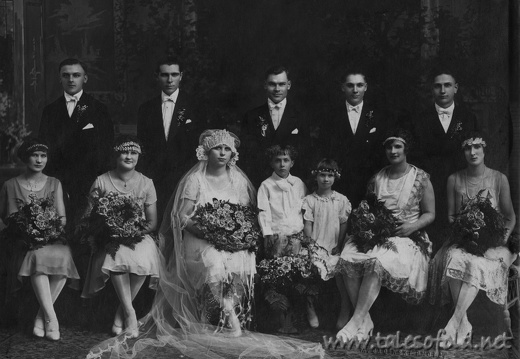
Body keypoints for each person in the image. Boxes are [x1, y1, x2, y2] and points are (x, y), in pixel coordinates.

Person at [84, 129, 325, 359]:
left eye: (226, 149)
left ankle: (229, 310)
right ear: (206, 153)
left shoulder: (238, 180)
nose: (222, 153)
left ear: (233, 154)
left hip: (230, 238)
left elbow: (246, 214)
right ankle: (231, 320)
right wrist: (208, 231)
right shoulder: (195, 180)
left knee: (245, 258)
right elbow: (181, 217)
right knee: (213, 262)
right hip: (199, 238)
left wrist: (234, 234)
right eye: (217, 148)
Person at [336, 129, 435, 342]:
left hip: (406, 238)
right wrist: (366, 226)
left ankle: (354, 322)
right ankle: (364, 319)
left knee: (377, 261)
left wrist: (412, 226)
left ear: (406, 148)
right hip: (377, 235)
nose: (393, 151)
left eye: (397, 146)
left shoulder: (420, 178)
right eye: (389, 147)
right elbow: (368, 209)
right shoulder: (377, 179)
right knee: (347, 256)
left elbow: (430, 213)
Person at [429, 132, 517, 345]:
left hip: (495, 243)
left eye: (477, 147)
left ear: (484, 150)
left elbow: (510, 216)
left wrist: (497, 239)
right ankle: (463, 322)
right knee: (453, 258)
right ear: (463, 152)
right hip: (464, 238)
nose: (473, 152)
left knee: (476, 264)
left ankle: (453, 324)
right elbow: (451, 216)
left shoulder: (498, 179)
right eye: (468, 148)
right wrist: (466, 231)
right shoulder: (454, 179)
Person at [0, 138, 79, 340]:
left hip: (52, 238)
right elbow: (4, 219)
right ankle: (52, 319)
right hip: (23, 241)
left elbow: (61, 218)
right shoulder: (10, 185)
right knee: (37, 256)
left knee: (64, 256)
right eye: (35, 155)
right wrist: (26, 232)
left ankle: (41, 317)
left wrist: (48, 232)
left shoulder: (54, 183)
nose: (39, 160)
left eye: (43, 156)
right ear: (26, 157)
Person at [81, 135, 160, 338]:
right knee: (115, 255)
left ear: (139, 156)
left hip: (138, 235)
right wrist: (108, 229)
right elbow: (88, 217)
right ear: (116, 155)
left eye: (133, 152)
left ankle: (121, 313)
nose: (129, 156)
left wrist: (133, 232)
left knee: (145, 257)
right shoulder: (102, 181)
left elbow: (152, 223)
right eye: (124, 152)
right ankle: (130, 313)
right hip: (109, 238)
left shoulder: (146, 183)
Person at [39, 58, 114, 223]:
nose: (71, 80)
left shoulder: (99, 109)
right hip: (59, 183)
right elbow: (44, 150)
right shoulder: (50, 111)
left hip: (90, 183)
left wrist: (98, 185)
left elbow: (106, 150)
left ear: (85, 78)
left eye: (76, 75)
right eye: (66, 75)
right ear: (60, 78)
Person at [412, 69, 478, 252]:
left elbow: (475, 153)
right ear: (431, 89)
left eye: (447, 85)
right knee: (430, 239)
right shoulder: (419, 119)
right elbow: (416, 157)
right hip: (430, 185)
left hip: (460, 183)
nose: (443, 90)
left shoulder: (468, 117)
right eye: (438, 86)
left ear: (455, 88)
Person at [137, 57, 200, 222]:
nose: (170, 80)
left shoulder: (195, 106)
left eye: (174, 74)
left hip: (185, 174)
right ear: (157, 76)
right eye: (165, 75)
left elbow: (200, 145)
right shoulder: (146, 109)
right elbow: (142, 147)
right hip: (155, 176)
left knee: (181, 221)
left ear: (181, 76)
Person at [257, 144, 308, 332]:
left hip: (296, 235)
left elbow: (305, 209)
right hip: (276, 236)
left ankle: (294, 318)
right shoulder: (266, 185)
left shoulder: (299, 183)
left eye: (285, 160)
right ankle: (279, 317)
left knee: (296, 274)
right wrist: (267, 232)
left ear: (292, 162)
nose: (281, 164)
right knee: (276, 274)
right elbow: (263, 211)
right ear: (271, 162)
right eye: (277, 160)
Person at [324, 70, 387, 208]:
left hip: (369, 181)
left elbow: (381, 151)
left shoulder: (377, 114)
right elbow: (326, 149)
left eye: (359, 85)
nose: (355, 90)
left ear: (365, 87)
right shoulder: (331, 115)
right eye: (350, 85)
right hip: (340, 182)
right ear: (343, 87)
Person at [241, 65, 309, 187]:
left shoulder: (301, 116)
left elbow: (306, 152)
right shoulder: (251, 116)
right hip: (260, 180)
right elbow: (248, 154)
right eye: (272, 84)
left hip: (292, 182)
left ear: (289, 85)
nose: (277, 89)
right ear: (265, 85)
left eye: (282, 84)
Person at [302, 159, 351, 330]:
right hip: (316, 243)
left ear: (335, 177)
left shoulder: (341, 200)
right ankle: (310, 308)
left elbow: (343, 223)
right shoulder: (310, 200)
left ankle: (345, 307)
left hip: (334, 244)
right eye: (322, 175)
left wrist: (339, 244)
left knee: (340, 269)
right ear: (316, 176)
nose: (326, 179)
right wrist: (311, 245)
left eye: (330, 175)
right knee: (308, 267)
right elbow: (308, 224)